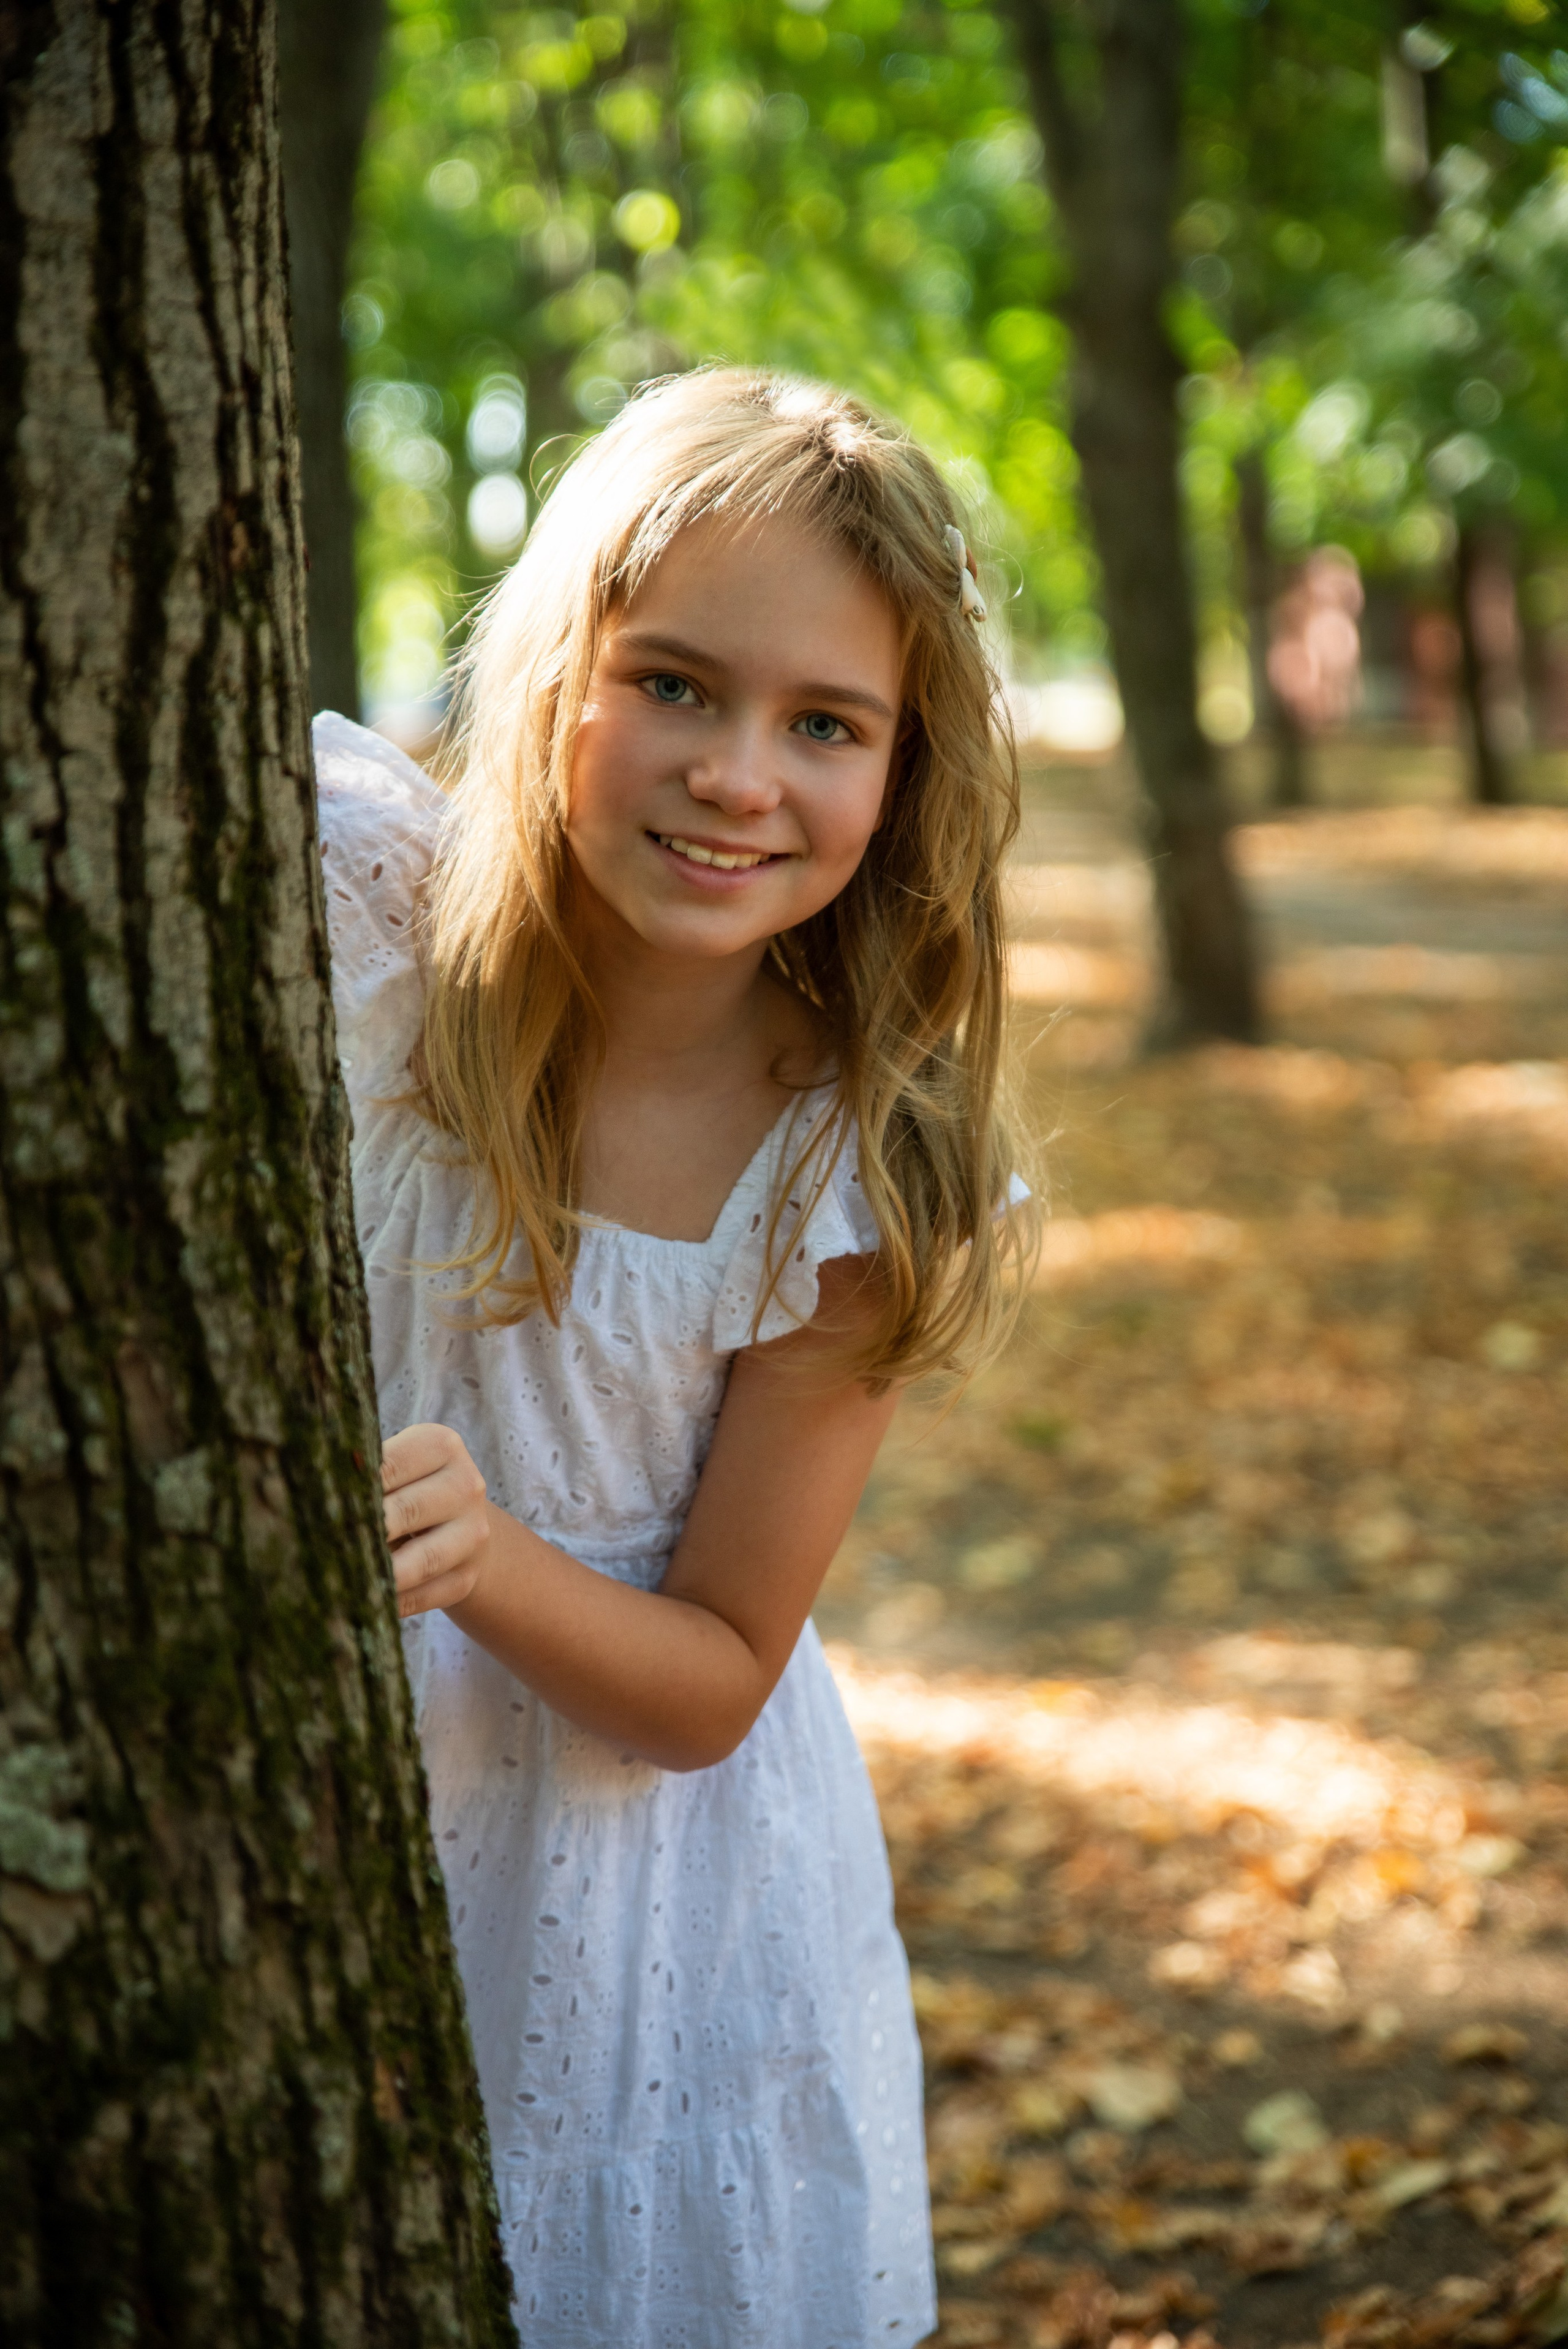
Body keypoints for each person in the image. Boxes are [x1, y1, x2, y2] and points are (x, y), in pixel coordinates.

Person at [314, 368, 1029, 2348]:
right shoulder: (363, 930)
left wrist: (486, 1558)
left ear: (903, 773)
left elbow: (719, 1675)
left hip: (647, 1912)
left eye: (826, 724)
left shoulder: (845, 1176)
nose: (738, 773)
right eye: (679, 686)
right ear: (562, 679)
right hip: (320, 1801)